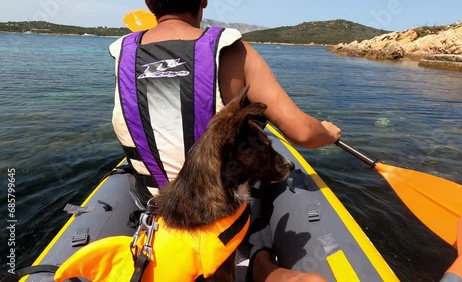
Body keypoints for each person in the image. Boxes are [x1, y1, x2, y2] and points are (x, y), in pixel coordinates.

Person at [109, 0, 340, 281]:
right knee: (261, 186)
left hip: (160, 214)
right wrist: (328, 132)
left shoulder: (122, 52)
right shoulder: (231, 50)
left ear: (148, 2)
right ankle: (261, 262)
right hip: (219, 215)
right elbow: (304, 133)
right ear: (203, 0)